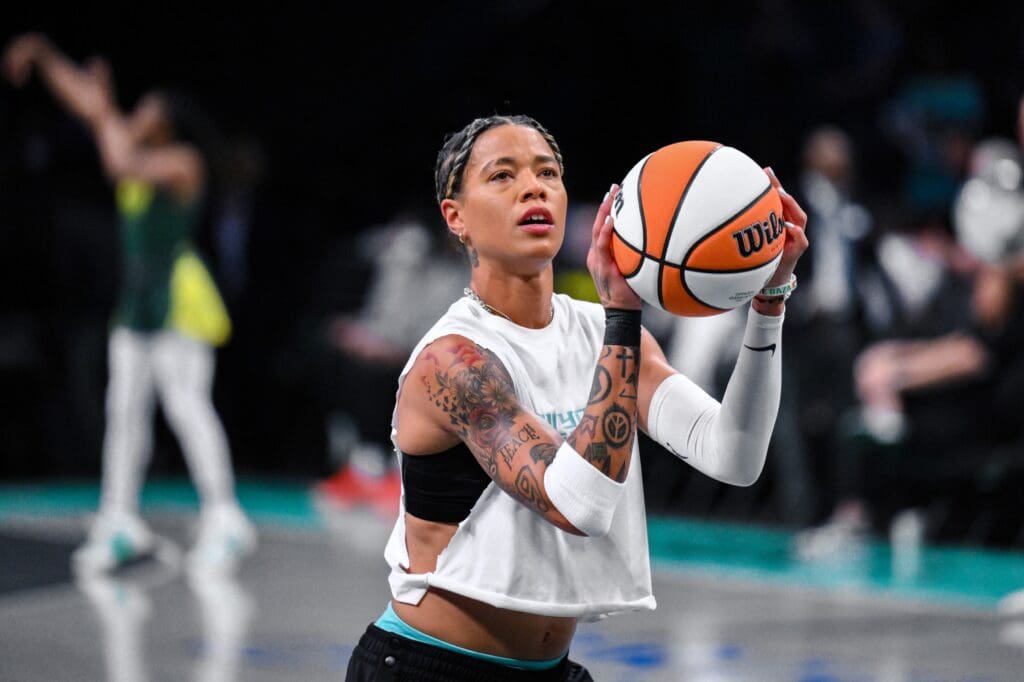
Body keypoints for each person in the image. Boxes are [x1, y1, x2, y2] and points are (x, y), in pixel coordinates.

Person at [344, 115, 808, 680]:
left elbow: (733, 457)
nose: (533, 187)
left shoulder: (605, 333)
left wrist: (769, 301)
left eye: (548, 173)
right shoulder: (454, 361)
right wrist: (623, 317)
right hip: (431, 667)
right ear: (455, 217)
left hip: (553, 668)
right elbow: (578, 506)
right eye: (502, 176)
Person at [3, 33, 255, 574]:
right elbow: (93, 111)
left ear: (165, 123)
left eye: (145, 109)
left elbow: (115, 154)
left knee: (186, 405)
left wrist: (101, 111)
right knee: (124, 413)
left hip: (179, 301)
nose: (133, 113)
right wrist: (48, 57)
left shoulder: (182, 163)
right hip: (136, 304)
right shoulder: (135, 150)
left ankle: (225, 516)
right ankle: (119, 520)